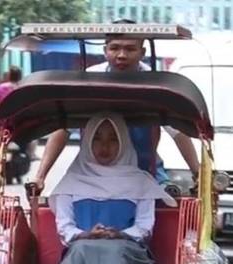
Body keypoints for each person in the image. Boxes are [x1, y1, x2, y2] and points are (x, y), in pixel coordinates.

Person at [32, 20, 200, 192]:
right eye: (114, 48)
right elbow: (63, 128)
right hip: (93, 174)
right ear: (105, 51)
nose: (121, 55)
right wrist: (40, 177)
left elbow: (178, 133)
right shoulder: (88, 81)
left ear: (142, 52)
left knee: (168, 199)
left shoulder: (157, 85)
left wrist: (198, 174)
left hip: (145, 171)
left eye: (130, 49)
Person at [51, 113, 176, 264]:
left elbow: (144, 226)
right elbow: (65, 227)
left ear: (124, 142)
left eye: (113, 139)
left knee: (117, 251)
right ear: (87, 141)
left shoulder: (141, 182)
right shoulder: (71, 181)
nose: (104, 146)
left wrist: (120, 235)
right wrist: (86, 235)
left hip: (128, 250)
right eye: (97, 138)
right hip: (82, 248)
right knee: (80, 251)